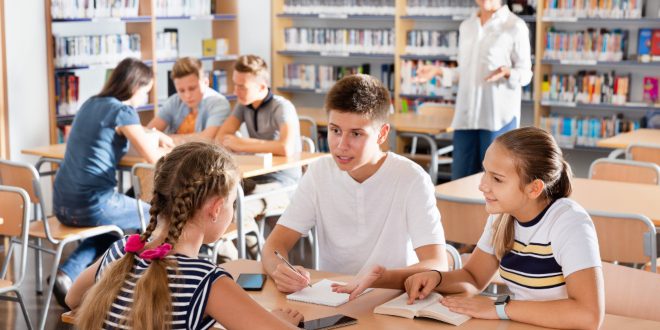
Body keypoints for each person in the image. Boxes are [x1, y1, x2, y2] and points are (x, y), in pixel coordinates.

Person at [65, 142, 304, 329]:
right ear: (216, 208)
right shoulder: (204, 281)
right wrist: (282, 323)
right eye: (232, 204)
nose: (232, 215)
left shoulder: (121, 250)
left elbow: (72, 299)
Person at [262, 74, 448, 297]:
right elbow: (274, 245)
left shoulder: (411, 178)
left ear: (382, 134)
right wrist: (279, 270)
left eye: (356, 134)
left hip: (391, 298)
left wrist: (381, 278)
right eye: (335, 130)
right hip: (332, 298)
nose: (341, 145)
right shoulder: (319, 172)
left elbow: (437, 263)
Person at [403, 127, 604, 329]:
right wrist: (436, 278)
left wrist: (499, 307)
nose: (482, 185)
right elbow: (473, 278)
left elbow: (588, 316)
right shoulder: (502, 215)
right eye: (485, 172)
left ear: (534, 188)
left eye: (497, 179)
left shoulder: (568, 221)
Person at [52, 57, 173, 306]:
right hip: (94, 203)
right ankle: (148, 289)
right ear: (135, 86)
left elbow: (122, 137)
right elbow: (151, 157)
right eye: (146, 92)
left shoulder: (90, 103)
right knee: (157, 215)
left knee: (114, 227)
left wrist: (152, 134)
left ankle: (67, 273)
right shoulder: (123, 110)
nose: (145, 99)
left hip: (62, 204)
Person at [416, 0, 532, 180]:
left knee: (496, 182)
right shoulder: (467, 26)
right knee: (460, 181)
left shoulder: (515, 26)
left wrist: (508, 72)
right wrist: (438, 71)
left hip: (497, 120)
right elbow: (464, 71)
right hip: (466, 118)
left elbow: (526, 74)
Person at [214, 54, 302, 259]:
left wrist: (242, 143)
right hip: (255, 178)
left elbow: (286, 148)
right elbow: (221, 137)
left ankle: (260, 261)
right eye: (235, 85)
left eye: (242, 86)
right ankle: (233, 260)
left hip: (284, 183)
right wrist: (247, 144)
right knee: (217, 203)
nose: (236, 91)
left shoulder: (282, 107)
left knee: (239, 210)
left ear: (262, 87)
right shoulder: (243, 106)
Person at [147, 56, 231, 144]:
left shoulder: (219, 103)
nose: (187, 95)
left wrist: (167, 138)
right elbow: (149, 133)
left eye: (192, 88)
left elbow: (207, 139)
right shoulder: (174, 101)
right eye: (181, 90)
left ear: (206, 82)